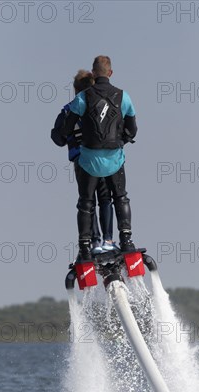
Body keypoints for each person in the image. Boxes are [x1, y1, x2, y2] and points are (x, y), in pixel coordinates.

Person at [63, 55, 138, 261]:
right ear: (111, 73)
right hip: (114, 161)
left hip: (89, 162)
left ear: (94, 73)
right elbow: (133, 129)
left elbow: (67, 127)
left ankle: (86, 247)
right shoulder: (124, 97)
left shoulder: (82, 98)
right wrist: (121, 141)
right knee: (120, 197)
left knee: (86, 203)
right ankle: (125, 240)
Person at [51, 70, 116, 254]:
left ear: (75, 89)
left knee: (88, 202)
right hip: (102, 158)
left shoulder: (68, 109)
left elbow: (59, 137)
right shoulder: (101, 106)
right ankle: (108, 239)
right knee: (105, 198)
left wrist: (59, 134)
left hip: (81, 161)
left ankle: (95, 242)